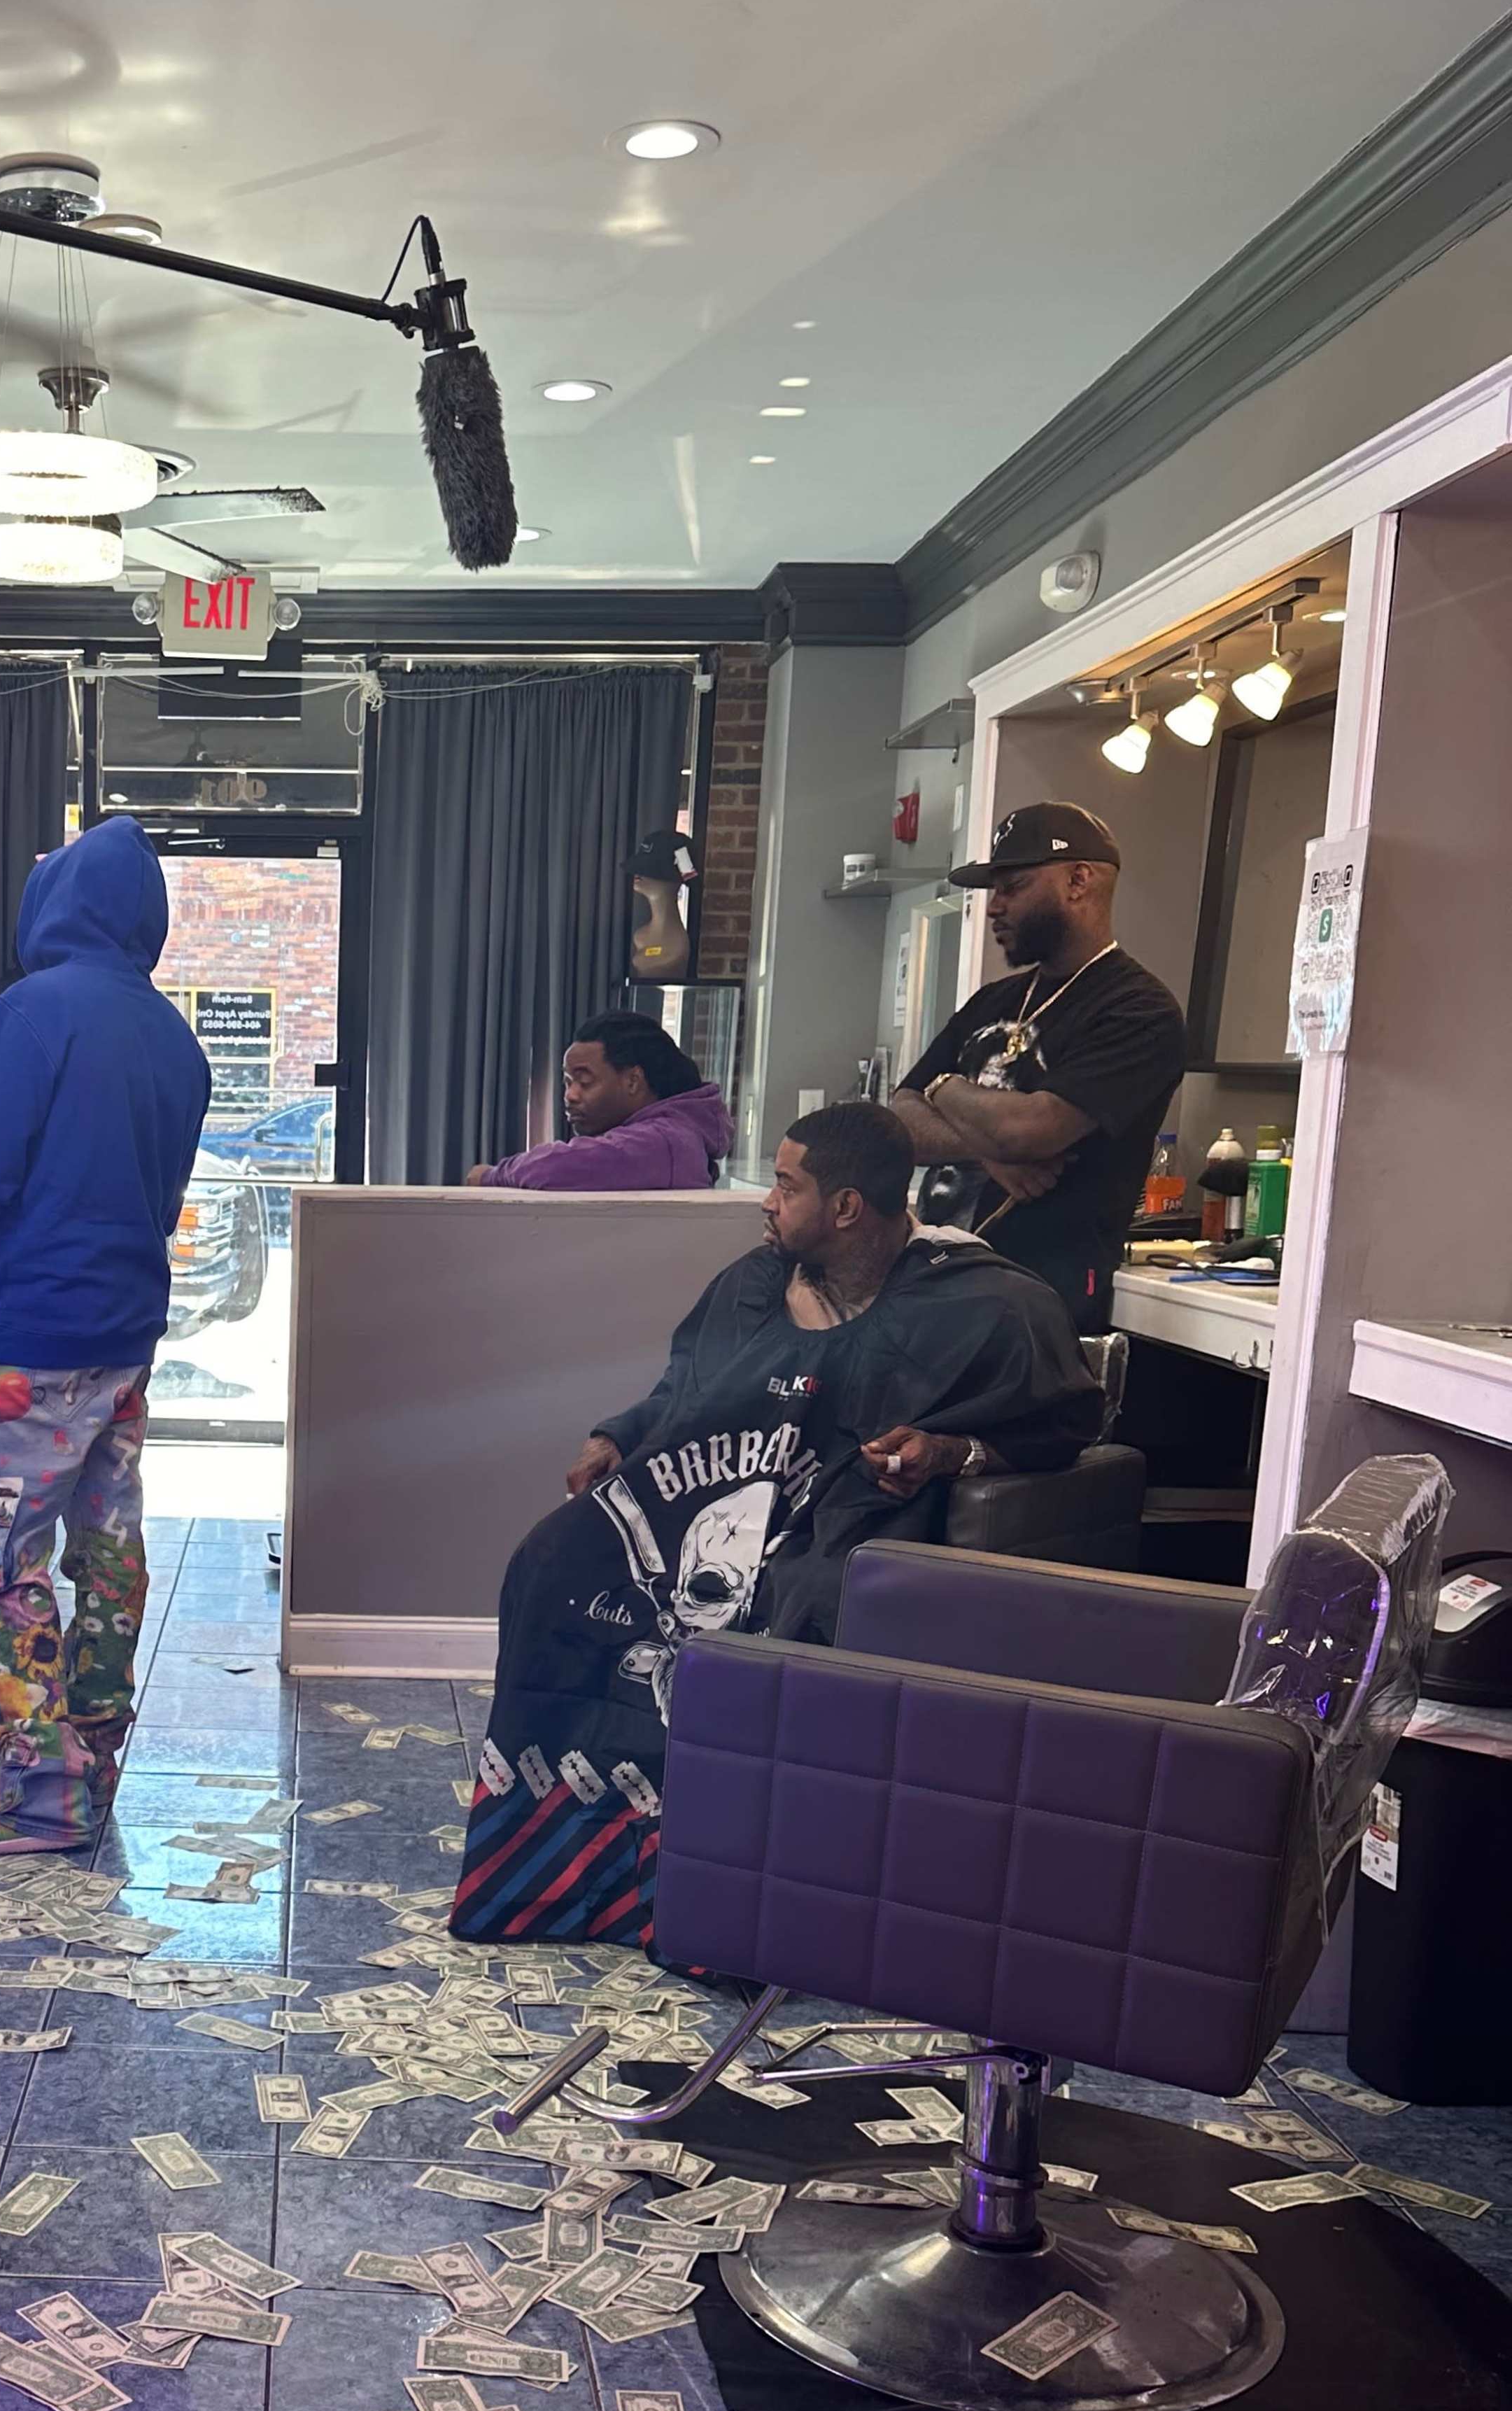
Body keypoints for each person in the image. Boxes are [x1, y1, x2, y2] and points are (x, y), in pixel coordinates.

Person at [451, 1099, 1101, 1942]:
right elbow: (685, 1393)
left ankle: (748, 1896)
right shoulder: (752, 1286)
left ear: (845, 1208)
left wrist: (946, 1452)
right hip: (698, 1512)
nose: (766, 1200)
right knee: (554, 1562)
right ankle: (565, 1873)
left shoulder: (980, 1305)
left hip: (841, 1526)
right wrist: (621, 1432)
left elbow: (1059, 1428)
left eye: (786, 1186)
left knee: (794, 1601)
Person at [0, 817, 211, 1853]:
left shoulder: (31, 1011)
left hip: (24, 1340)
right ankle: (95, 1768)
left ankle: (36, 1799)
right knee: (108, 1549)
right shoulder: (174, 1037)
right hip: (126, 1333)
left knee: (7, 1564)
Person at [891, 801, 1187, 1328]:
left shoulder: (1137, 1009)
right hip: (932, 1281)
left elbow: (1030, 1131)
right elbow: (897, 1126)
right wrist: (986, 1145)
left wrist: (942, 1087)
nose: (993, 908)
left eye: (1013, 887)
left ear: (1078, 881)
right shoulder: (993, 1001)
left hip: (1039, 1302)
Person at [467, 1011, 729, 1191]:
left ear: (633, 1081)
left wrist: (492, 1176)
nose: (570, 1095)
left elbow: (560, 1166)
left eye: (585, 1081)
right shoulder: (677, 1134)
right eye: (568, 1083)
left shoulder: (664, 1142)